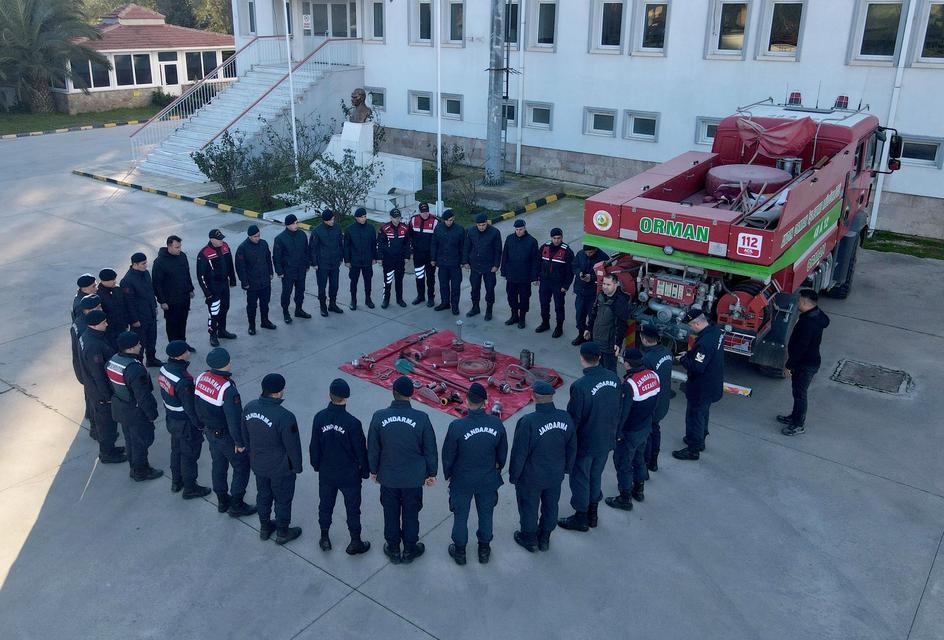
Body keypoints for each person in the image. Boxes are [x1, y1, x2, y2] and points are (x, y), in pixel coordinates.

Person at [367, 376, 438, 564]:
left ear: (393, 393)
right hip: (413, 479)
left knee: (390, 512)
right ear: (412, 394)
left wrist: (373, 471)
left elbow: (373, 448)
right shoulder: (422, 418)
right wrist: (432, 473)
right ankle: (409, 549)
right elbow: (430, 448)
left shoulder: (379, 417)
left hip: (388, 477)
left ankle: (392, 548)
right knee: (411, 513)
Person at [441, 382, 508, 565]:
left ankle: (460, 552)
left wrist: (449, 475)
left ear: (466, 401)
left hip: (462, 481)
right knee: (486, 515)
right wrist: (497, 470)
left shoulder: (457, 426)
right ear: (485, 402)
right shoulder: (496, 424)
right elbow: (502, 454)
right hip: (487, 479)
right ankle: (484, 550)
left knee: (460, 516)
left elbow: (448, 456)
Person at [558, 342, 621, 532]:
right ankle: (593, 512)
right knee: (596, 475)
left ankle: (581, 516)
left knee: (580, 478)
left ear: (582, 358)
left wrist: (567, 443)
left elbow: (574, 418)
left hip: (586, 441)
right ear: (600, 358)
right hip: (606, 438)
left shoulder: (580, 386)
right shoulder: (614, 378)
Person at [509, 381, 576, 553]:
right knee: (551, 505)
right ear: (552, 397)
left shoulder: (528, 422)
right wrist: (567, 468)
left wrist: (514, 476)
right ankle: (545, 537)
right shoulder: (565, 418)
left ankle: (529, 539)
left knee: (529, 507)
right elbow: (571, 446)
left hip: (531, 477)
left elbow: (519, 453)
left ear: (533, 397)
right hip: (555, 474)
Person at [310, 378, 371, 555]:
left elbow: (315, 445)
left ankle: (324, 537)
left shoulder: (319, 418)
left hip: (327, 472)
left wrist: (316, 465)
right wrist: (365, 471)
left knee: (325, 505)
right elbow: (360, 450)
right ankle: (355, 541)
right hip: (349, 475)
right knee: (353, 509)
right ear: (346, 398)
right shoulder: (353, 423)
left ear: (330, 395)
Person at [241, 374, 304, 545]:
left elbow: (244, 435)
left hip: (258, 463)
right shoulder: (285, 416)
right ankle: (283, 532)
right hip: (280, 468)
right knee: (282, 499)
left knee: (263, 495)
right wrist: (297, 466)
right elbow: (292, 445)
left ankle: (265, 527)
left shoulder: (249, 408)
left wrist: (251, 454)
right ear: (278, 393)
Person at [194, 347, 256, 518]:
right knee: (241, 466)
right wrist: (240, 443)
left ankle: (222, 500)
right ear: (227, 364)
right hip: (226, 435)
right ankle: (236, 504)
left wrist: (202, 425)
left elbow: (196, 404)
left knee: (218, 464)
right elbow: (234, 419)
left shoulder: (201, 378)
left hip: (210, 431)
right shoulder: (228, 389)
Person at [606, 348, 660, 510]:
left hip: (630, 431)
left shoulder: (630, 384)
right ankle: (639, 489)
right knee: (639, 458)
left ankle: (624, 498)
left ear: (628, 364)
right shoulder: (653, 375)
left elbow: (623, 413)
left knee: (623, 463)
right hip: (645, 427)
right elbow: (655, 401)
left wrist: (617, 434)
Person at [157, 340, 211, 499]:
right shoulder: (183, 380)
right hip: (185, 423)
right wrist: (200, 425)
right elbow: (190, 408)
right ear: (181, 355)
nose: (189, 352)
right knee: (189, 455)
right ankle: (190, 488)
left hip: (172, 418)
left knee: (177, 450)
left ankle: (176, 481)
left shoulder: (164, 369)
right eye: (187, 350)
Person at [107, 331, 163, 482]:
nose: (140, 346)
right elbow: (143, 396)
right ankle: (141, 471)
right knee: (141, 441)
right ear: (130, 349)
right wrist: (152, 414)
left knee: (130, 439)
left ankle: (134, 466)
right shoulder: (135, 369)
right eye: (137, 344)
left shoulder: (113, 360)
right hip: (135, 411)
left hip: (121, 407)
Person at [672, 309, 724, 461]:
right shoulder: (715, 331)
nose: (691, 328)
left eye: (691, 325)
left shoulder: (704, 342)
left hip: (701, 387)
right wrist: (689, 355)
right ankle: (700, 440)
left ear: (697, 323)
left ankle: (693, 450)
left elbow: (697, 366)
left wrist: (683, 360)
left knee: (695, 416)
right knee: (703, 413)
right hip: (712, 383)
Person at [778, 289, 830, 436]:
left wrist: (789, 366)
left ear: (805, 302)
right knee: (797, 392)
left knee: (800, 394)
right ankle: (794, 417)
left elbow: (801, 347)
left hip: (805, 364)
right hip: (809, 362)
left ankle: (798, 425)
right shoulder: (816, 315)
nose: (797, 303)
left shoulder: (808, 323)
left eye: (799, 301)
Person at [78, 310, 126, 464]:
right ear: (94, 325)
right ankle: (107, 453)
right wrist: (107, 397)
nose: (106, 324)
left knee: (106, 424)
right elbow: (98, 374)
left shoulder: (87, 336)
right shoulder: (94, 346)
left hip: (93, 389)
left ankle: (110, 448)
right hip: (101, 394)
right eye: (103, 322)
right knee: (107, 425)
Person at [196, 229, 237, 347]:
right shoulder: (204, 254)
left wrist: (232, 279)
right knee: (214, 312)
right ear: (212, 239)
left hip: (224, 284)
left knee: (225, 307)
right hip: (213, 288)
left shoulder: (225, 247)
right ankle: (212, 334)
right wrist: (206, 292)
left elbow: (230, 264)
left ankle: (222, 331)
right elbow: (201, 276)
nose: (221, 241)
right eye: (219, 239)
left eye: (222, 238)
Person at [640, 326, 673, 472]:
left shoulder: (647, 359)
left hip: (652, 403)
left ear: (644, 339)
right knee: (656, 429)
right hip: (664, 400)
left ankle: (647, 461)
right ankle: (654, 461)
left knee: (647, 433)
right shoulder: (666, 352)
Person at [151, 235, 195, 343]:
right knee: (172, 325)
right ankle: (174, 348)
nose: (179, 249)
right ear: (169, 247)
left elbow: (187, 273)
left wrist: (190, 288)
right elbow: (157, 283)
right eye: (177, 247)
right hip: (171, 301)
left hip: (184, 297)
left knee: (182, 322)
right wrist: (162, 301)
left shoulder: (182, 256)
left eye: (180, 246)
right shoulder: (160, 262)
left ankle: (183, 344)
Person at [584, 273, 632, 372]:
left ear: (616, 284)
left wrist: (617, 343)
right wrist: (588, 329)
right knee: (597, 369)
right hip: (596, 340)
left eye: (608, 285)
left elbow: (621, 324)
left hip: (609, 345)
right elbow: (593, 314)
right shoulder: (600, 296)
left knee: (610, 371)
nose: (605, 287)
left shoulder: (620, 301)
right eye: (604, 284)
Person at [121, 253, 161, 366]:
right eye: (143, 264)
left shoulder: (146, 273)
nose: (146, 265)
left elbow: (150, 291)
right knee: (140, 343)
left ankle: (151, 359)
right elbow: (129, 302)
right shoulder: (127, 280)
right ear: (135, 264)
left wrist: (154, 306)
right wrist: (134, 320)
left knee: (152, 339)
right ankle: (138, 364)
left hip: (150, 314)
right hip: (139, 318)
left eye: (146, 262)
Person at [235, 225, 276, 335]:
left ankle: (265, 321)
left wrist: (271, 272)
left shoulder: (263, 244)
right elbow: (240, 267)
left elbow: (268, 259)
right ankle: (252, 325)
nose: (257, 238)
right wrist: (244, 282)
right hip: (252, 284)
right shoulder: (242, 248)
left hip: (265, 281)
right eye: (255, 237)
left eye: (258, 236)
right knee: (252, 306)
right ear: (249, 236)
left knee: (265, 303)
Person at [500, 219, 540, 329]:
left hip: (524, 277)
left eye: (520, 229)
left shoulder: (532, 241)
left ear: (525, 228)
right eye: (516, 229)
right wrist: (503, 271)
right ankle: (514, 316)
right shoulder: (509, 239)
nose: (518, 231)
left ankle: (522, 318)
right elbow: (505, 256)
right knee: (511, 297)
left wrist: (534, 277)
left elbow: (535, 260)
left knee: (524, 298)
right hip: (512, 276)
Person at [71, 294, 101, 437]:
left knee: (89, 396)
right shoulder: (86, 328)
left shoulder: (78, 322)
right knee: (95, 401)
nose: (101, 309)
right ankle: (95, 430)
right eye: (98, 307)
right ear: (90, 310)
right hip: (89, 370)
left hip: (81, 366)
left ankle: (90, 415)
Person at [536, 228, 575, 338]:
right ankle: (545, 323)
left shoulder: (567, 252)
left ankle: (559, 328)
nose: (556, 240)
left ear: (562, 238)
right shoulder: (544, 247)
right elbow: (538, 262)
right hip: (545, 282)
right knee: (544, 304)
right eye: (554, 238)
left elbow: (570, 271)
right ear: (551, 238)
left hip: (558, 284)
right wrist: (537, 276)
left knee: (559, 306)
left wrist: (566, 286)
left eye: (559, 238)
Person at [463, 213, 502, 320]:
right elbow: (467, 246)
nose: (481, 227)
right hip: (475, 266)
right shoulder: (471, 231)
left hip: (489, 267)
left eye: (483, 225)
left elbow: (498, 250)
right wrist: (465, 261)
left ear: (487, 223)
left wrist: (496, 265)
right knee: (474, 288)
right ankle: (475, 308)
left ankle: (489, 310)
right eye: (479, 225)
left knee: (490, 289)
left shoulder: (494, 232)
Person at [273, 214, 312, 323]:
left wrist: (307, 264)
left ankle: (298, 310)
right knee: (287, 292)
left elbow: (306, 251)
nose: (296, 225)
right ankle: (286, 312)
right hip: (288, 271)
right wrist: (279, 271)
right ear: (287, 225)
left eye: (296, 222)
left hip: (300, 269)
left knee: (300, 291)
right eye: (293, 223)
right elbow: (276, 257)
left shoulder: (302, 235)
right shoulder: (280, 239)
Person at [309, 209, 345, 317]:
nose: (332, 221)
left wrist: (340, 258)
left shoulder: (337, 228)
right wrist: (314, 263)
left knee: (334, 285)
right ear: (325, 220)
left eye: (333, 219)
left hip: (334, 263)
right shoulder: (317, 231)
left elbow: (340, 244)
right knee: (322, 287)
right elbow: (312, 248)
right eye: (330, 220)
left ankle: (332, 304)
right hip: (322, 264)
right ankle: (323, 306)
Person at [572, 245, 609, 345]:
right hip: (580, 291)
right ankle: (581, 335)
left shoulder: (603, 258)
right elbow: (574, 266)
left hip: (594, 294)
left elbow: (607, 276)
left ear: (595, 249)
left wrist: (592, 278)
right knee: (579, 316)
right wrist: (579, 273)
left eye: (590, 253)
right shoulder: (580, 254)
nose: (588, 254)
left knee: (593, 317)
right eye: (586, 253)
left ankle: (592, 338)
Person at [430, 209, 464, 315]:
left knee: (455, 286)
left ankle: (455, 306)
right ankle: (445, 303)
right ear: (444, 220)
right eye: (448, 220)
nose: (450, 222)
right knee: (443, 285)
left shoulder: (459, 229)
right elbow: (434, 244)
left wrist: (463, 261)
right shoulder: (438, 228)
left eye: (452, 220)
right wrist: (433, 259)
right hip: (442, 263)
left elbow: (463, 247)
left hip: (455, 263)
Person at [344, 207, 377, 310]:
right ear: (356, 218)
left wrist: (374, 257)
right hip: (354, 262)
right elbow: (346, 246)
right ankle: (353, 301)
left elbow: (373, 244)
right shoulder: (350, 229)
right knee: (353, 282)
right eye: (361, 217)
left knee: (368, 281)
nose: (364, 219)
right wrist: (347, 260)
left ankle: (368, 299)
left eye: (365, 216)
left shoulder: (370, 228)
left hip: (367, 261)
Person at [377, 208, 411, 309]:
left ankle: (399, 299)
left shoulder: (405, 228)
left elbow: (407, 243)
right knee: (387, 280)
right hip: (388, 260)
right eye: (395, 218)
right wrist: (380, 257)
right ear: (391, 217)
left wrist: (407, 256)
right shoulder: (384, 228)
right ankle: (386, 299)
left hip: (400, 259)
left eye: (399, 217)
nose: (397, 220)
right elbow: (380, 244)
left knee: (399, 280)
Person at [409, 202, 438, 307]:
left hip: (430, 257)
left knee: (430, 278)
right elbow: (410, 236)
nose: (425, 214)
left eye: (426, 211)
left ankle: (431, 298)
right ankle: (420, 296)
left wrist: (434, 257)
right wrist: (411, 251)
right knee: (419, 276)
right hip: (418, 256)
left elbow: (437, 240)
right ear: (419, 211)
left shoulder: (435, 221)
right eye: (422, 212)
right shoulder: (413, 220)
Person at [97, 268, 130, 349]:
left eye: (115, 279)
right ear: (104, 281)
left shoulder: (117, 289)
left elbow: (124, 306)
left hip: (121, 326)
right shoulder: (98, 294)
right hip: (109, 329)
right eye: (112, 280)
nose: (115, 281)